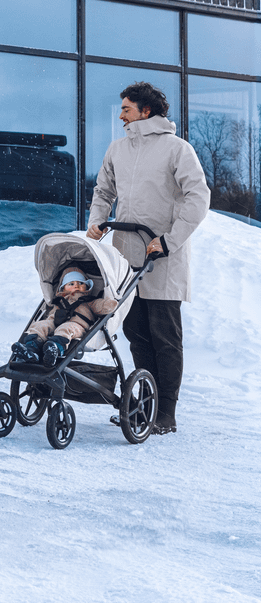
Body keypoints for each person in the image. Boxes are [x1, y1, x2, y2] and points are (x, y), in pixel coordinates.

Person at [85, 82, 210, 435]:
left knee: (165, 337)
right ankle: (145, 405)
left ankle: (166, 413)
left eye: (126, 108)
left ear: (146, 111)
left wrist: (169, 240)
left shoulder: (177, 150)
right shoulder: (118, 149)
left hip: (163, 257)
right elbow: (103, 191)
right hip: (125, 257)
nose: (121, 114)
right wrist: (96, 221)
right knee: (135, 332)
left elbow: (197, 198)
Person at [10, 266, 117, 367]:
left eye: (81, 283)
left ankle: (54, 349)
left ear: (87, 287)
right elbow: (49, 315)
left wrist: (108, 304)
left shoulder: (89, 302)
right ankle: (31, 350)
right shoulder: (58, 301)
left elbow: (100, 306)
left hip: (77, 326)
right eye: (71, 284)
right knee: (40, 325)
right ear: (63, 288)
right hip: (54, 323)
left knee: (66, 328)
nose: (76, 286)